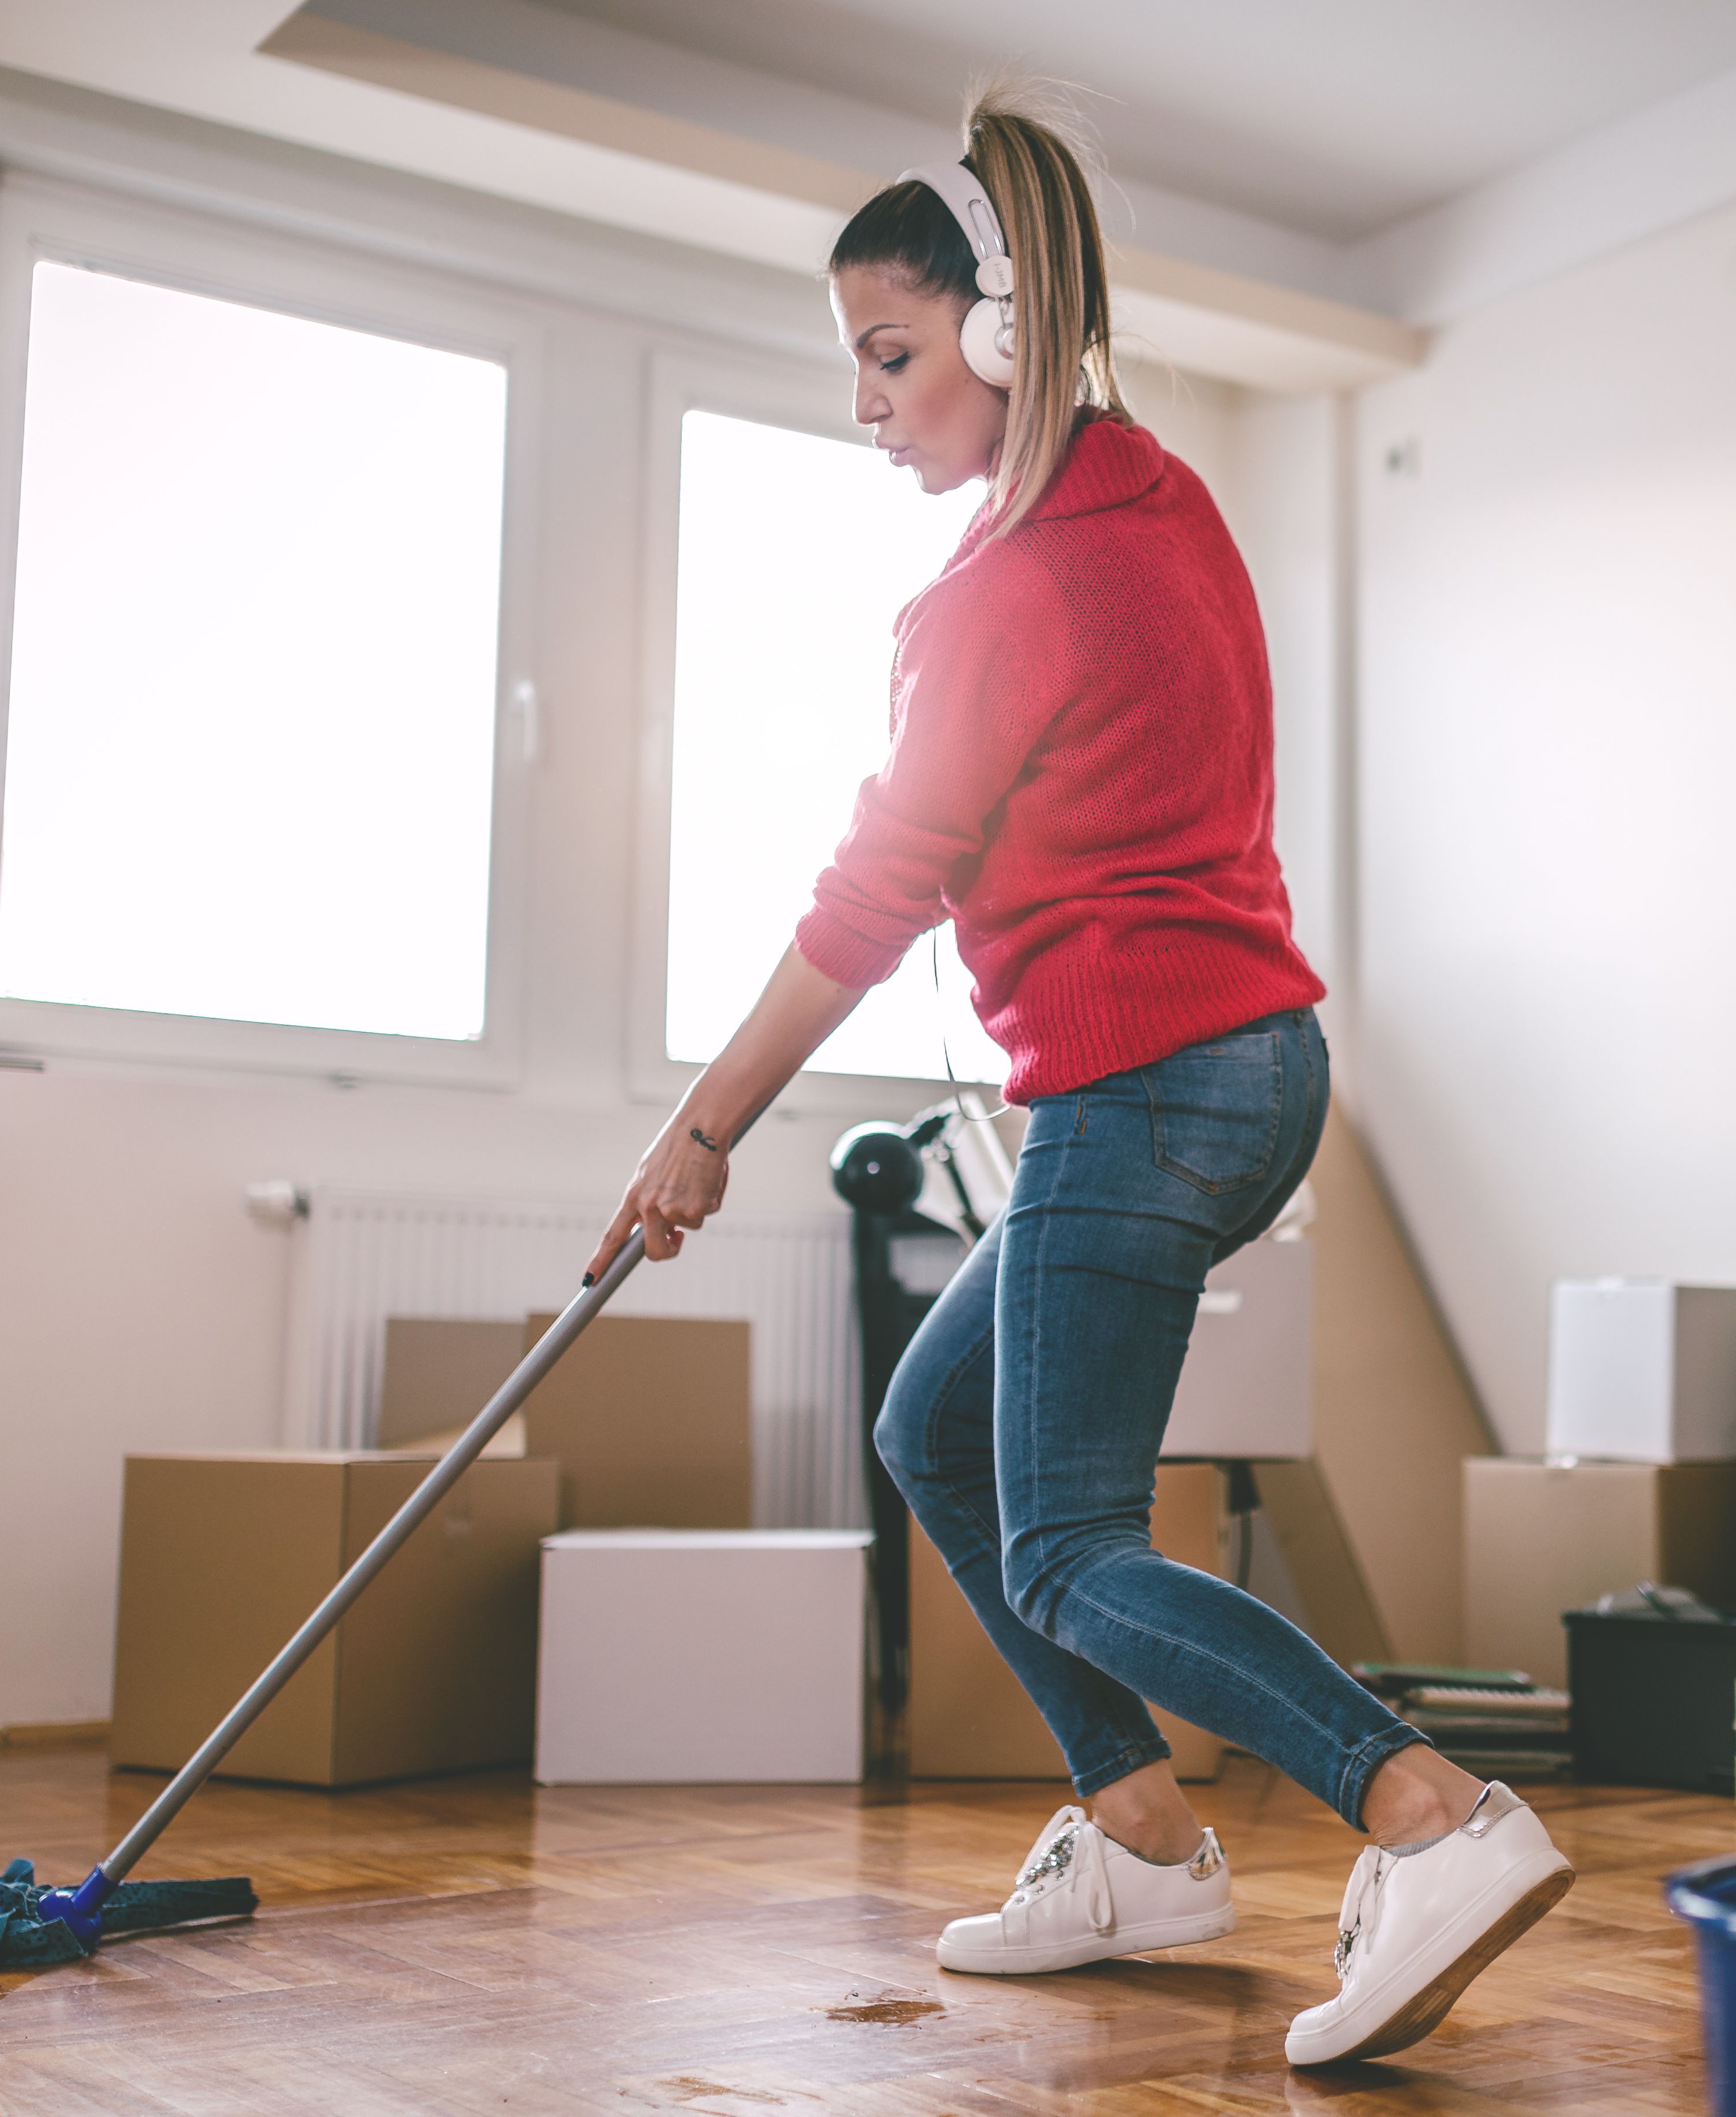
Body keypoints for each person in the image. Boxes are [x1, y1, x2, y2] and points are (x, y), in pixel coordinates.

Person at [586, 83, 1571, 2070]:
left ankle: (1429, 1817)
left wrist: (698, 1133)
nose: (868, 403)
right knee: (937, 1433)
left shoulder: (1001, 590)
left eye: (891, 352)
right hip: (1251, 1065)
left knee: (1066, 1542)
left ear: (1006, 334)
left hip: (1152, 1083)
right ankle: (1136, 1837)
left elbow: (874, 896)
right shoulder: (1162, 501)